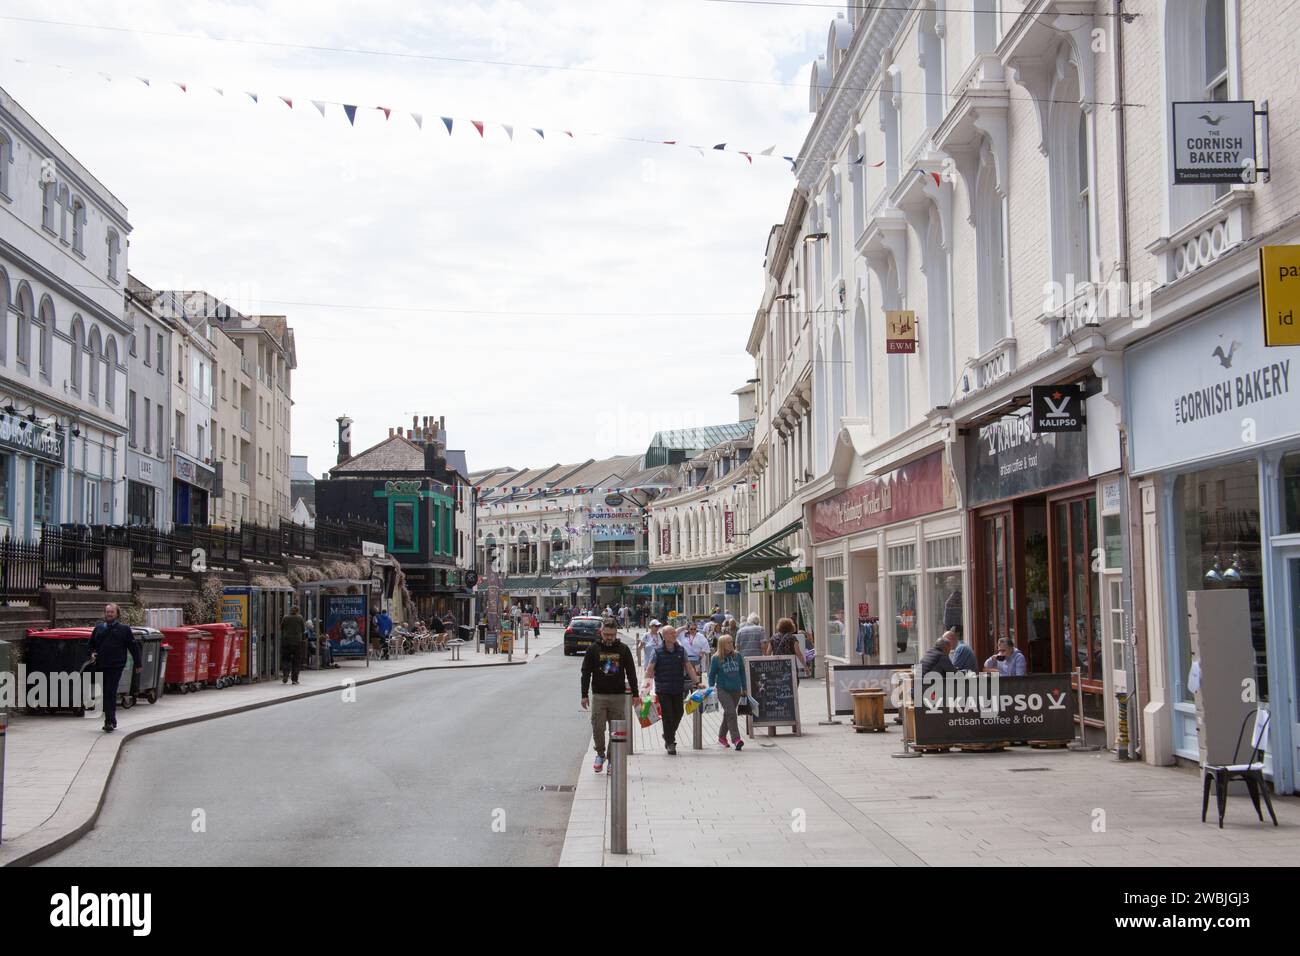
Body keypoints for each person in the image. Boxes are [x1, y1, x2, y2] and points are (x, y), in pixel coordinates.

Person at [580, 617, 640, 773]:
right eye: (606, 634)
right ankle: (600, 754)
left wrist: (635, 694)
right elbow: (586, 672)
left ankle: (612, 759)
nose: (609, 638)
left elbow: (631, 672)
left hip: (618, 696)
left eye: (612, 635)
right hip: (599, 696)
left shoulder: (623, 649)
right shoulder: (593, 649)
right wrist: (584, 694)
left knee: (616, 730)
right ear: (601, 632)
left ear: (616, 633)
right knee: (597, 727)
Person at [643, 624, 700, 755]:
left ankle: (668, 734)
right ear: (664, 636)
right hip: (663, 688)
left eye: (675, 633)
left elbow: (689, 667)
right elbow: (649, 669)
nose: (675, 635)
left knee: (679, 713)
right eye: (671, 634)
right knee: (667, 715)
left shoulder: (681, 650)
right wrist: (645, 688)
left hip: (677, 687)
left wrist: (697, 682)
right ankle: (670, 742)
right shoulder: (657, 651)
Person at [87, 603, 141, 733]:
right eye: (107, 612)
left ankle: (109, 721)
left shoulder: (124, 629)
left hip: (116, 666)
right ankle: (111, 720)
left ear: (117, 614)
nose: (109, 614)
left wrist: (138, 664)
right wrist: (91, 653)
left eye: (111, 612)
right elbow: (90, 644)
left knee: (110, 691)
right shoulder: (99, 629)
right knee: (105, 692)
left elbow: (133, 647)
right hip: (101, 665)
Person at [708, 634, 747, 751]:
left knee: (728, 714)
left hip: (736, 690)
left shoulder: (738, 656)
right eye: (729, 642)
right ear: (722, 645)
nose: (732, 644)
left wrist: (744, 688)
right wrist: (711, 689)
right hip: (722, 689)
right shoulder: (716, 658)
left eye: (732, 642)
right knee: (731, 713)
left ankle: (721, 737)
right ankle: (736, 739)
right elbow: (711, 675)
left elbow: (742, 673)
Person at [281, 604, 307, 684]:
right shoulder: (300, 618)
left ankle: (285, 674)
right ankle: (294, 679)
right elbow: (303, 630)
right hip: (297, 643)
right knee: (296, 661)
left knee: (286, 659)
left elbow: (281, 627)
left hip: (286, 642)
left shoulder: (285, 617)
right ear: (297, 611)